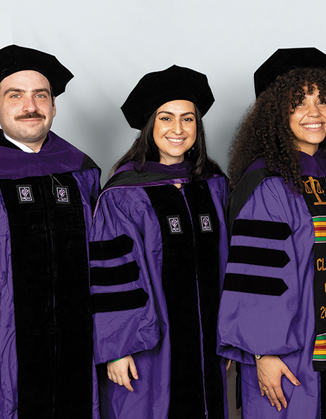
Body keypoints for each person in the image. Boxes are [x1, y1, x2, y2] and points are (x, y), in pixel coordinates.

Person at [217, 47, 326, 419]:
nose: (314, 114)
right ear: (276, 114)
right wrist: (263, 353)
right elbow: (256, 277)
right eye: (298, 103)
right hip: (290, 355)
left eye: (323, 102)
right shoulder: (269, 183)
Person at [0, 45, 100, 418]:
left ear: (53, 106)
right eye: (14, 95)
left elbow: (104, 258)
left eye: (40, 95)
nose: (29, 105)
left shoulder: (80, 171)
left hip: (78, 342)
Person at [88, 65, 229, 418]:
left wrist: (228, 337)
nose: (178, 130)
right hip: (148, 346)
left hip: (210, 340)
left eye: (188, 119)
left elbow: (231, 264)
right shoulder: (123, 194)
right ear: (150, 126)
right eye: (166, 118)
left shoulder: (213, 184)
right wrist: (117, 349)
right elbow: (110, 274)